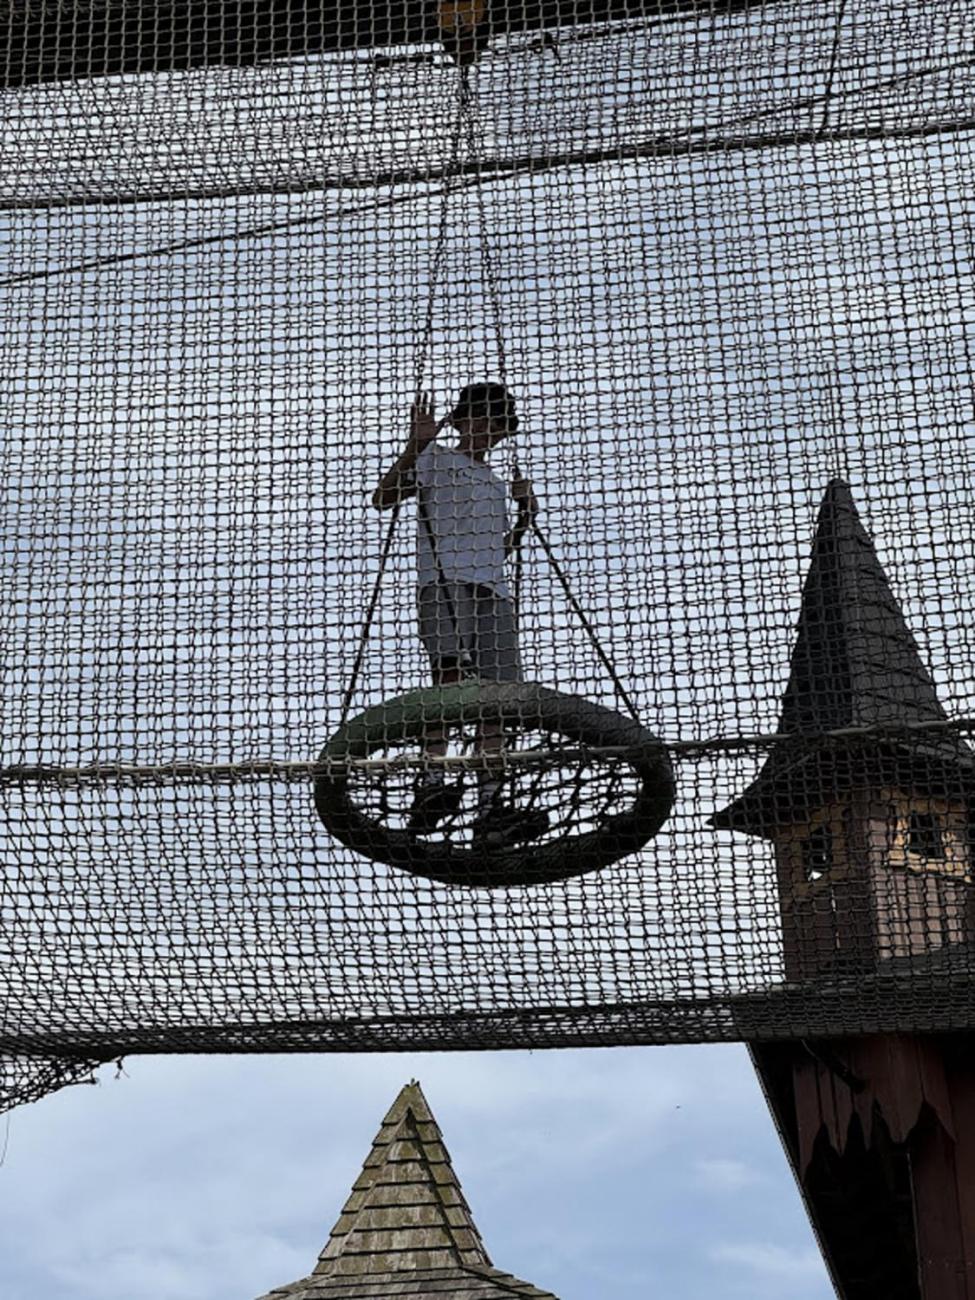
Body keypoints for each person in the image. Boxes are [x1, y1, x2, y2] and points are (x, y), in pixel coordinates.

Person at [372, 382, 549, 849]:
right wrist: (416, 446)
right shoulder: (435, 459)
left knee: (497, 699)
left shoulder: (494, 482)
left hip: (493, 590)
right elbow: (383, 497)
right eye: (482, 420)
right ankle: (431, 782)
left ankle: (491, 805)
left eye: (497, 424)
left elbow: (497, 550)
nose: (488, 431)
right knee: (450, 680)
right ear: (462, 420)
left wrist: (524, 518)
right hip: (445, 582)